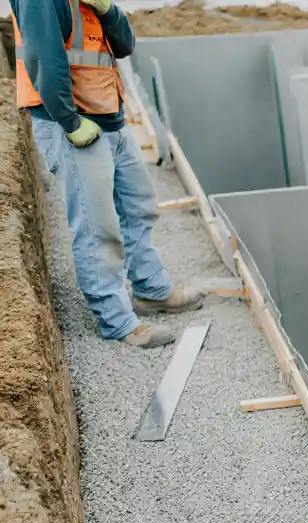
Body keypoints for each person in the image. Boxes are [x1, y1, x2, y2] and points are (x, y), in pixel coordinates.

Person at [11, 0, 204, 349]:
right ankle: (116, 320)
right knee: (97, 225)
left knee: (138, 205)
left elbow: (125, 45)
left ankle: (150, 288)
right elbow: (45, 58)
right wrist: (70, 122)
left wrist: (108, 9)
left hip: (107, 113)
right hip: (73, 121)